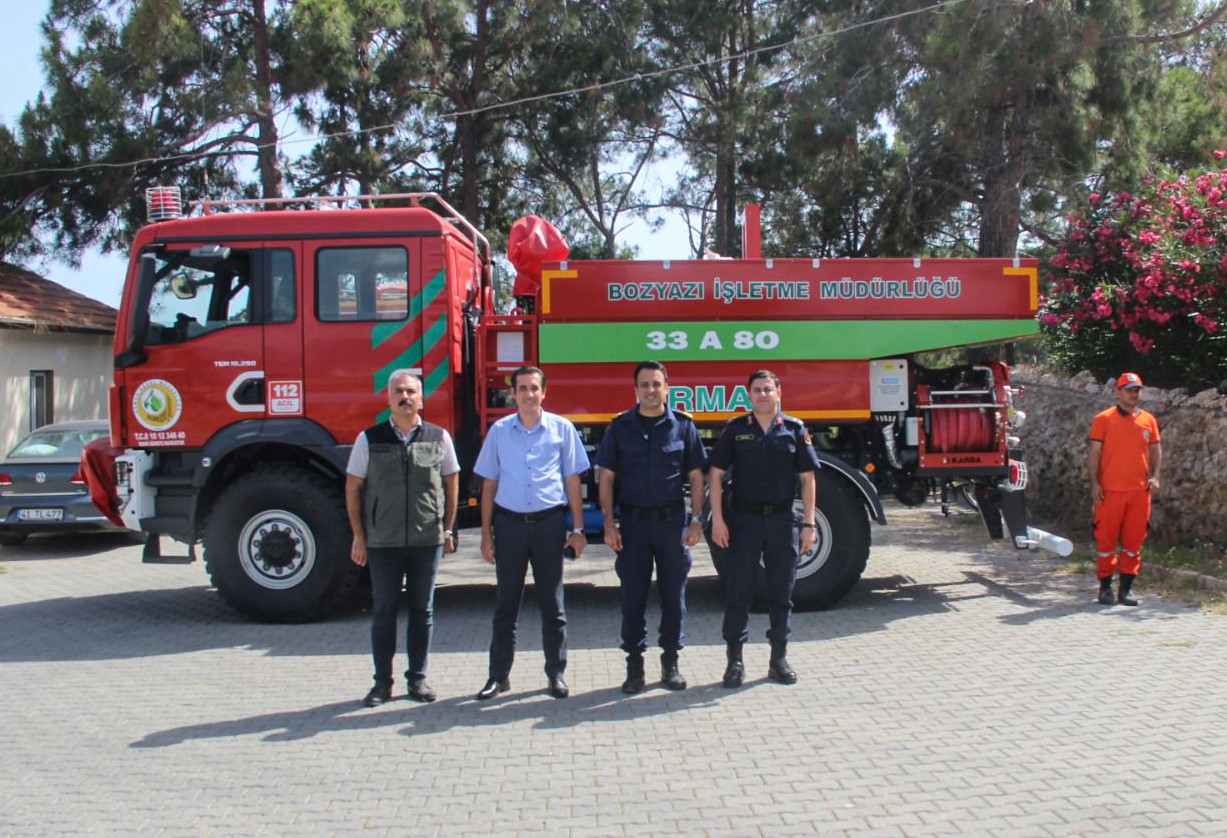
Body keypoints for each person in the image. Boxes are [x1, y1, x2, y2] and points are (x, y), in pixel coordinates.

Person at [474, 365, 590, 700]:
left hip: (549, 525)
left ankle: (556, 673)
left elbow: (572, 480)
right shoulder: (499, 431)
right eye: (521, 388)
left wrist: (578, 529)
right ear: (513, 393)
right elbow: (489, 484)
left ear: (544, 392)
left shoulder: (561, 429)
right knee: (505, 605)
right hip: (509, 525)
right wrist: (485, 534)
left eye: (534, 388)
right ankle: (498, 677)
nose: (528, 394)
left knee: (553, 605)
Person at [346, 370, 460, 707]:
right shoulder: (369, 439)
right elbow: (353, 485)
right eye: (398, 391)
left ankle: (418, 680)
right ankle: (382, 683)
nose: (405, 397)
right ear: (388, 398)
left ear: (421, 398)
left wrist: (448, 529)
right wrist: (358, 536)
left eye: (411, 392)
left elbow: (451, 482)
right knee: (383, 611)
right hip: (383, 541)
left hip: (427, 539)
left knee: (422, 611)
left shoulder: (439, 437)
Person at [595, 361, 706, 694]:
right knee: (633, 598)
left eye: (656, 384)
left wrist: (697, 520)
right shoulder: (619, 427)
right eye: (644, 384)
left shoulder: (683, 427)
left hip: (672, 525)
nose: (650, 390)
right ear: (636, 390)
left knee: (674, 597)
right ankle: (634, 666)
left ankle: (670, 664)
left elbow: (697, 477)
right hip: (632, 526)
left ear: (667, 387)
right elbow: (607, 478)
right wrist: (609, 524)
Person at [709, 369, 819, 688]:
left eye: (768, 389)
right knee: (738, 592)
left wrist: (809, 524)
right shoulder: (735, 429)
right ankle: (735, 662)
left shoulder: (795, 430)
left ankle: (778, 659)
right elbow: (715, 474)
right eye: (756, 390)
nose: (762, 394)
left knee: (781, 592)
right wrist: (717, 519)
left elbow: (808, 478)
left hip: (783, 521)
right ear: (749, 395)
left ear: (779, 392)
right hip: (743, 522)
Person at [1088, 371, 1162, 607]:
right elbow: (1094, 452)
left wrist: (1155, 476)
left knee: (1133, 542)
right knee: (1106, 542)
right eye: (1129, 389)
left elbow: (1155, 449)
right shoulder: (1104, 419)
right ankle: (1105, 589)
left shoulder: (1148, 420)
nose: (1133, 393)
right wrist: (1094, 483)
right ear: (1117, 392)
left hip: (1139, 493)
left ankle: (1126, 590)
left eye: (1136, 389)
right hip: (1109, 492)